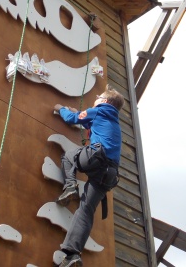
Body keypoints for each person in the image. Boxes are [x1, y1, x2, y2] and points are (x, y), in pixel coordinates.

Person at [54, 84, 124, 267]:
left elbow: (72, 119)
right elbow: (88, 120)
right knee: (86, 210)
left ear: (105, 101)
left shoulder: (98, 110)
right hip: (110, 174)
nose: (96, 98)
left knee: (68, 157)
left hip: (96, 158)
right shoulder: (113, 120)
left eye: (99, 96)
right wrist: (79, 113)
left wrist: (60, 109)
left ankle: (70, 186)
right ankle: (72, 255)